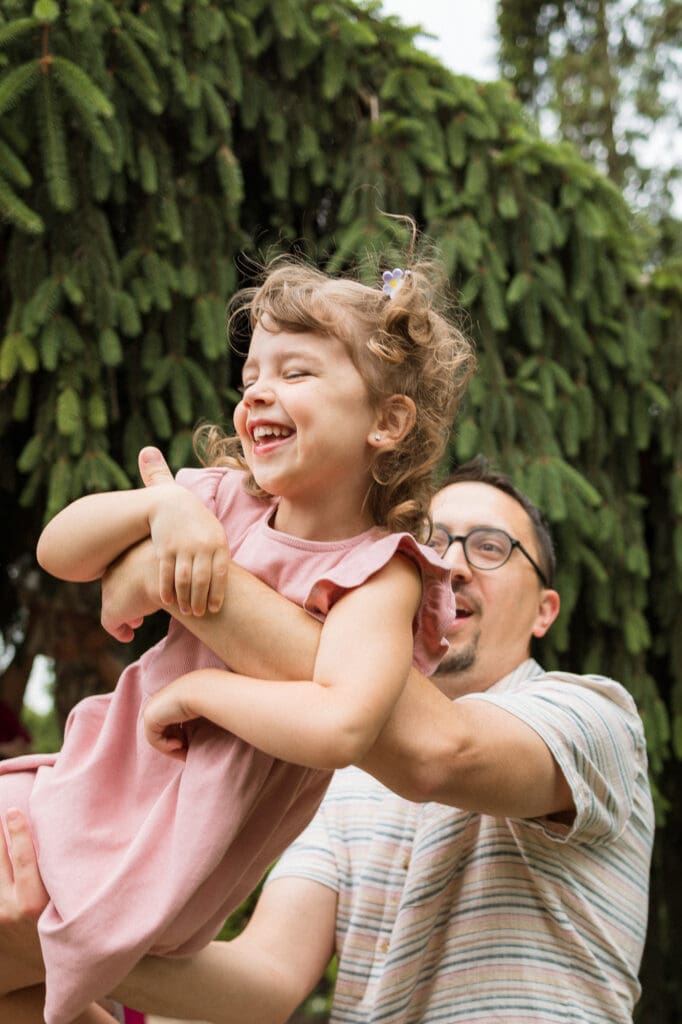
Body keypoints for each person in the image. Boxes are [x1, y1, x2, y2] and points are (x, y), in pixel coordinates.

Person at [0, 456, 654, 1024]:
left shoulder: (594, 718)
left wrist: (182, 581)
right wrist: (56, 935)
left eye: (490, 547)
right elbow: (266, 983)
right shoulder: (331, 775)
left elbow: (438, 750)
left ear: (545, 610)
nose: (450, 565)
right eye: (430, 541)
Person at [0, 259, 476, 1024]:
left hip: (143, 854)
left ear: (385, 422)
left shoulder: (379, 576)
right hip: (78, 795)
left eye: (296, 372)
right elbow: (63, 551)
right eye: (252, 372)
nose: (258, 390)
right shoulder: (223, 502)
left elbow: (342, 723)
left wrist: (199, 691)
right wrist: (162, 511)